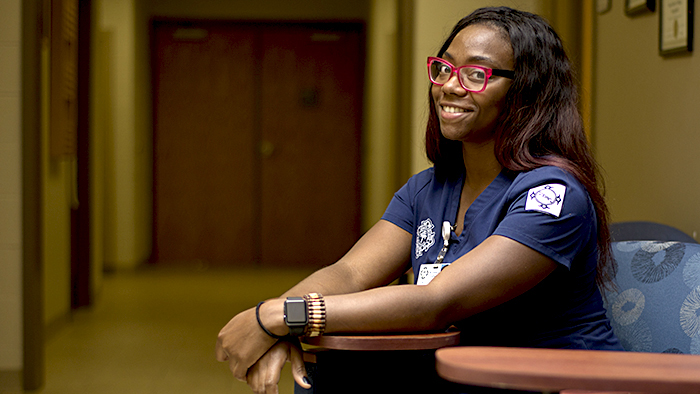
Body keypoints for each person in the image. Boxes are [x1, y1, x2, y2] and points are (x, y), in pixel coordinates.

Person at [216, 6, 622, 393]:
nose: (448, 85)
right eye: (444, 68)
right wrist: (286, 318)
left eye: (475, 74)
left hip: (548, 382)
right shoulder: (428, 189)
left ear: (528, 90)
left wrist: (282, 316)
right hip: (463, 375)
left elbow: (435, 302)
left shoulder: (553, 197)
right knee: (331, 375)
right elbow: (350, 275)